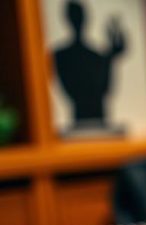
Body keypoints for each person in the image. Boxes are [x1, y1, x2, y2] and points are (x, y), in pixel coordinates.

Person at [53, 0, 126, 131]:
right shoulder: (61, 55)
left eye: (80, 17)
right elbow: (70, 88)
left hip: (99, 117)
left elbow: (105, 88)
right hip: (81, 118)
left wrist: (110, 58)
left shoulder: (97, 55)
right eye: (75, 17)